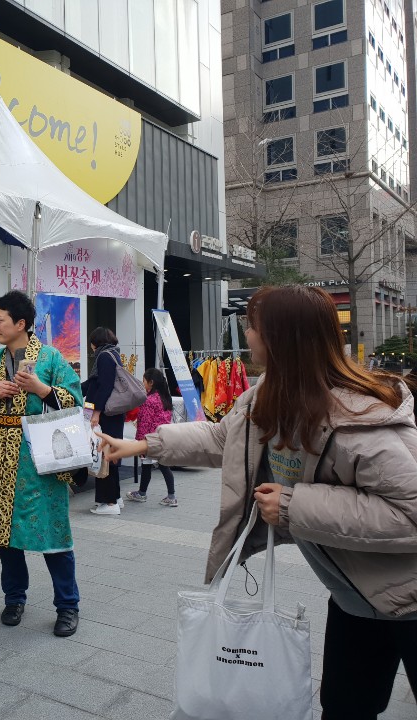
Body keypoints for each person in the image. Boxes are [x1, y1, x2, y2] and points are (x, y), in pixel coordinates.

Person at [98, 285, 417, 720]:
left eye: (252, 326)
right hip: (355, 598)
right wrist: (142, 445)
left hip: (409, 599)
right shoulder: (268, 395)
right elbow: (222, 438)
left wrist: (293, 506)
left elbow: (409, 515)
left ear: (281, 337)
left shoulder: (361, 421)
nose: (246, 335)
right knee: (344, 708)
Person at [0, 290, 83, 638]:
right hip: (1, 459)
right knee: (6, 536)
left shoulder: (51, 358)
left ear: (21, 324)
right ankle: (14, 598)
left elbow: (76, 401)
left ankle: (68, 606)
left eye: (0, 319)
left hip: (40, 461)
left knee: (53, 533)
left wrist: (42, 390)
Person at [82, 328, 126, 515]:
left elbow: (104, 387)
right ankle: (115, 497)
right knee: (111, 453)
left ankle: (109, 503)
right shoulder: (113, 354)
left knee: (104, 454)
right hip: (113, 414)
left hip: (106, 414)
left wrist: (96, 413)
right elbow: (94, 384)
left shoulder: (104, 357)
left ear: (95, 342)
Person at [124, 368, 177, 506]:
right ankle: (170, 496)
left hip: (150, 439)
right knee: (163, 466)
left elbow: (145, 423)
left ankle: (143, 493)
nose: (143, 384)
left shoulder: (149, 400)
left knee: (147, 465)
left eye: (144, 381)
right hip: (163, 437)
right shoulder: (165, 398)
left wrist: (140, 442)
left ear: (151, 382)